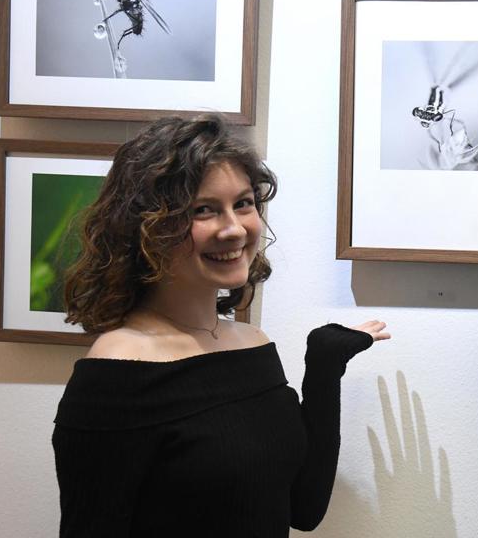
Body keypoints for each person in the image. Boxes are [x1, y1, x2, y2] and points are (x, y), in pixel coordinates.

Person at [52, 115, 389, 537]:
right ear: (147, 227)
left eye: (243, 204)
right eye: (203, 210)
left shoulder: (252, 344)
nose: (234, 229)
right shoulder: (118, 368)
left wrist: (324, 367)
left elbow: (303, 508)